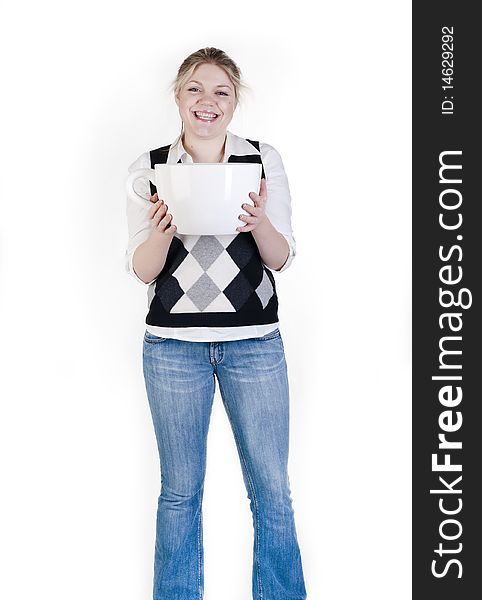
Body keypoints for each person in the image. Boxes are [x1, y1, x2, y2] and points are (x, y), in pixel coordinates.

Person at [125, 47, 307, 600]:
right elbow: (142, 269)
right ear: (178, 97)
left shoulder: (261, 159)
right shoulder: (150, 167)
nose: (208, 102)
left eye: (221, 91)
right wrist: (160, 232)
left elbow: (280, 257)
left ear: (234, 102)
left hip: (254, 344)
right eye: (195, 90)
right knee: (179, 493)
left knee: (272, 491)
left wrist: (259, 223)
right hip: (173, 348)